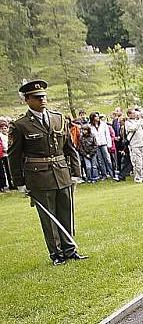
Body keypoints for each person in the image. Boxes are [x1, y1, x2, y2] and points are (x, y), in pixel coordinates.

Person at [8, 80, 87, 265]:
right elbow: (14, 156)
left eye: (43, 96)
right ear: (27, 100)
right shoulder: (20, 125)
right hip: (38, 176)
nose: (42, 100)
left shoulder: (58, 118)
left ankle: (70, 249)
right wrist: (19, 183)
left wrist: (75, 172)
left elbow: (69, 148)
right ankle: (56, 254)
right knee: (49, 217)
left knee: (66, 212)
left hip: (61, 173)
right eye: (37, 97)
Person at [122, 108, 143, 183]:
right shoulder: (127, 123)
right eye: (133, 113)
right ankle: (138, 178)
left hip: (142, 143)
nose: (135, 114)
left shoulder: (138, 121)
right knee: (137, 162)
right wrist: (139, 120)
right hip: (134, 145)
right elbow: (133, 128)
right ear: (129, 114)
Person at [0, 117, 11, 191]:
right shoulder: (1, 136)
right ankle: (3, 185)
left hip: (9, 154)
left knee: (10, 170)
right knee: (3, 171)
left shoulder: (9, 135)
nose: (4, 129)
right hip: (3, 155)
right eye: (2, 128)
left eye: (5, 128)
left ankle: (11, 183)